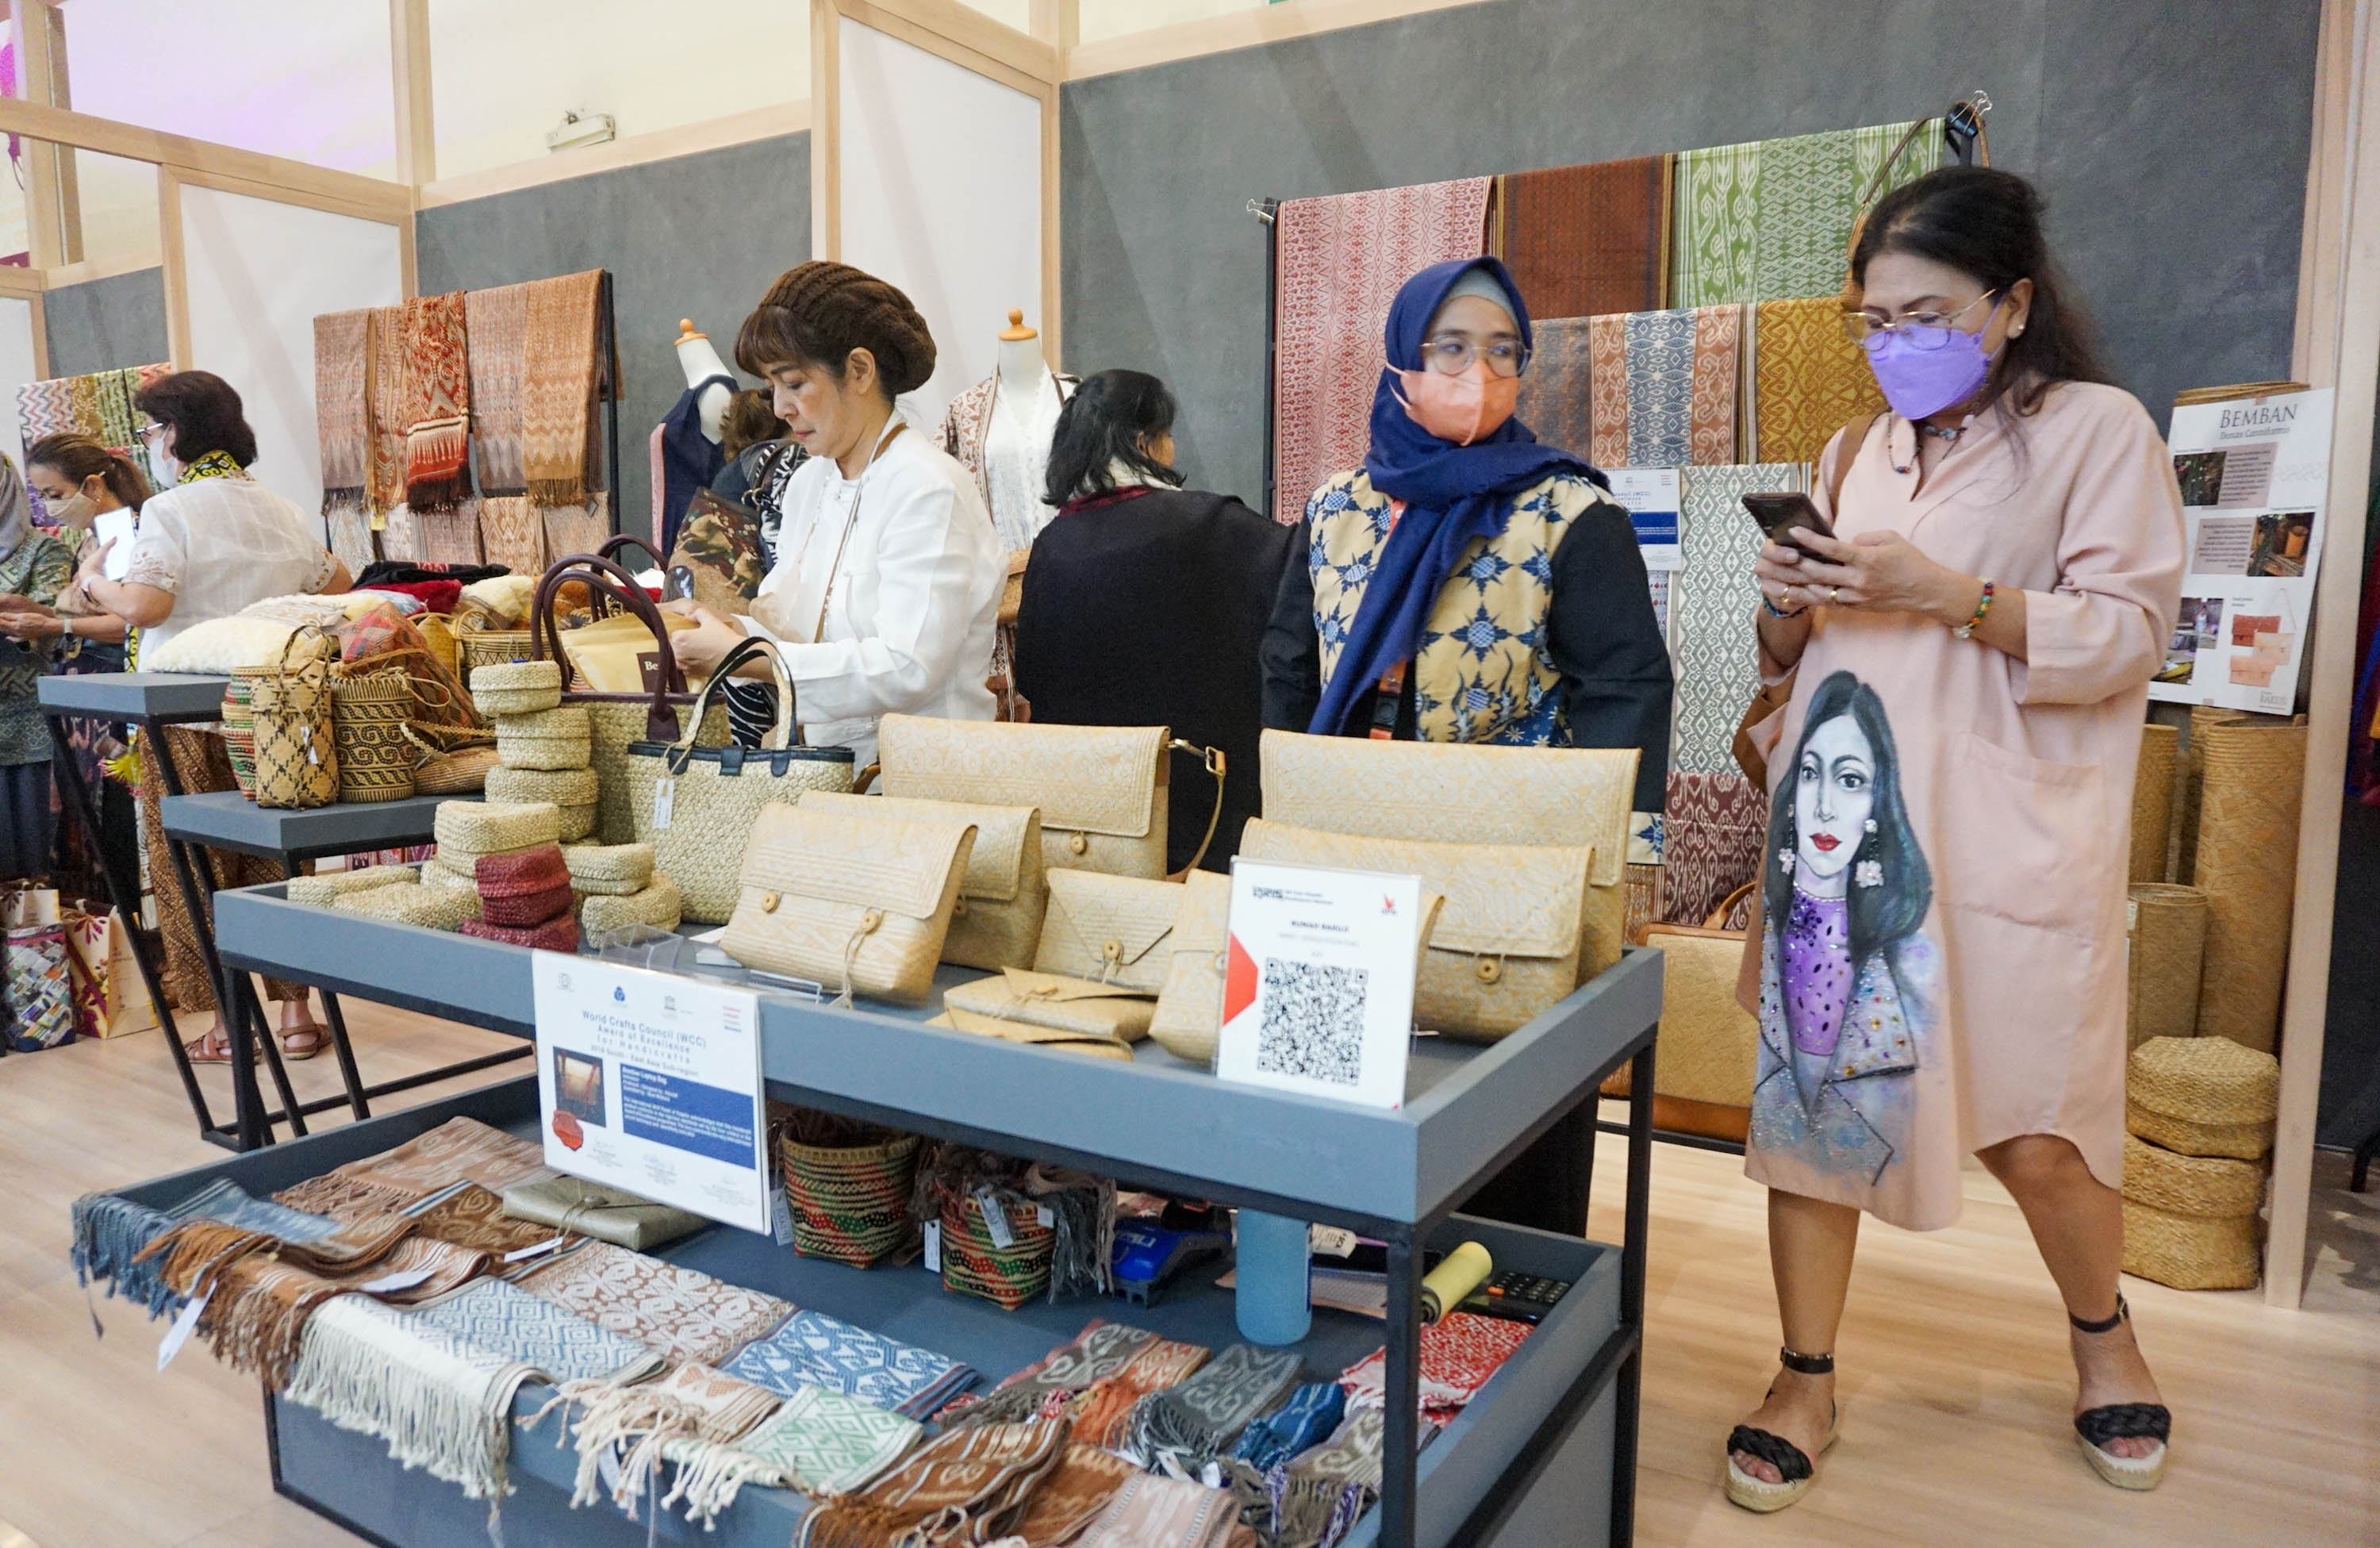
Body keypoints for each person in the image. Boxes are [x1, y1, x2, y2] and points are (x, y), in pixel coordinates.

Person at [1723, 165, 2183, 1512]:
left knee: (2038, 1124)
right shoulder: (1854, 455)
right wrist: (1789, 605)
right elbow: (1790, 655)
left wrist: (1959, 595)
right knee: (1817, 1107)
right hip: (1839, 832)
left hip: (1996, 838)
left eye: (1924, 312)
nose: (1893, 343)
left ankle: (2106, 1337)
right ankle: (1804, 1374)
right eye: (1872, 319)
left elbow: (2133, 634)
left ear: (2012, 304)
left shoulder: (2099, 432)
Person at [1260, 255, 1672, 1237]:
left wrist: (1613, 868)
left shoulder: (1569, 513)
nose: (1476, 373)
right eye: (1450, 348)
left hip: (1507, 861)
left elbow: (1625, 686)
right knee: (1337, 1101)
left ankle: (1510, 1311)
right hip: (1346, 852)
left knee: (1500, 1102)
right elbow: (1288, 661)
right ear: (1403, 358)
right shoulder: (1337, 509)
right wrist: (1278, 821)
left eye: (1501, 352)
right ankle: (1338, 1289)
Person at [73, 371, 353, 1066]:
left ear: (173, 434)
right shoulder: (280, 509)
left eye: (149, 433)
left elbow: (144, 608)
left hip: (186, 715)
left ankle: (233, 1024)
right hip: (272, 721)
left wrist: (91, 580)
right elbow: (341, 585)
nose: (149, 446)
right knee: (277, 862)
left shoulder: (172, 510)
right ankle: (294, 1016)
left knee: (192, 866)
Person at [666, 262, 1004, 766]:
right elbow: (797, 632)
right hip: (825, 773)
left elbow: (907, 666)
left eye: (796, 384)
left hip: (926, 782)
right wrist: (732, 630)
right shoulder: (810, 482)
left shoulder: (928, 487)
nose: (780, 407)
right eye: (771, 385)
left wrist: (747, 656)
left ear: (861, 371)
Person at [1014, 370, 1293, 872]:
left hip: (1090, 816)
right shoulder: (1209, 527)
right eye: (1166, 435)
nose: (1174, 447)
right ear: (1143, 442)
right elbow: (1303, 592)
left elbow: (1033, 675)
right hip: (1205, 804)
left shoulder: (1050, 548)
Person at [0, 434, 148, 891]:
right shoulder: (94, 540)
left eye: (55, 495)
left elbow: (130, 623)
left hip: (114, 702)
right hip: (89, 704)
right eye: (41, 496)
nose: (49, 509)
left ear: (92, 485)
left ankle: (136, 944)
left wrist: (54, 627)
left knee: (120, 831)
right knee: (96, 834)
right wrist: (45, 616)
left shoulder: (124, 536)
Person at [0, 452, 75, 877]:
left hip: (28, 731)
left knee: (31, 872)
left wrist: (30, 619)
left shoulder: (43, 552)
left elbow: (61, 631)